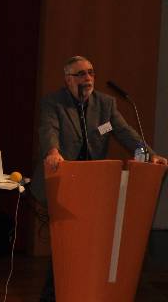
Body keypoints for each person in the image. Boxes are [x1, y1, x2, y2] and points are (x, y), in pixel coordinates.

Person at [32, 56, 167, 301]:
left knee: (87, 242)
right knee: (67, 243)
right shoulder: (54, 102)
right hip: (65, 182)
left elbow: (125, 132)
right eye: (81, 74)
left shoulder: (105, 104)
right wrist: (52, 151)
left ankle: (84, 292)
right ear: (68, 79)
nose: (88, 78)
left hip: (94, 185)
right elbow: (49, 129)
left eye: (91, 72)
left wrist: (149, 154)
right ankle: (52, 295)